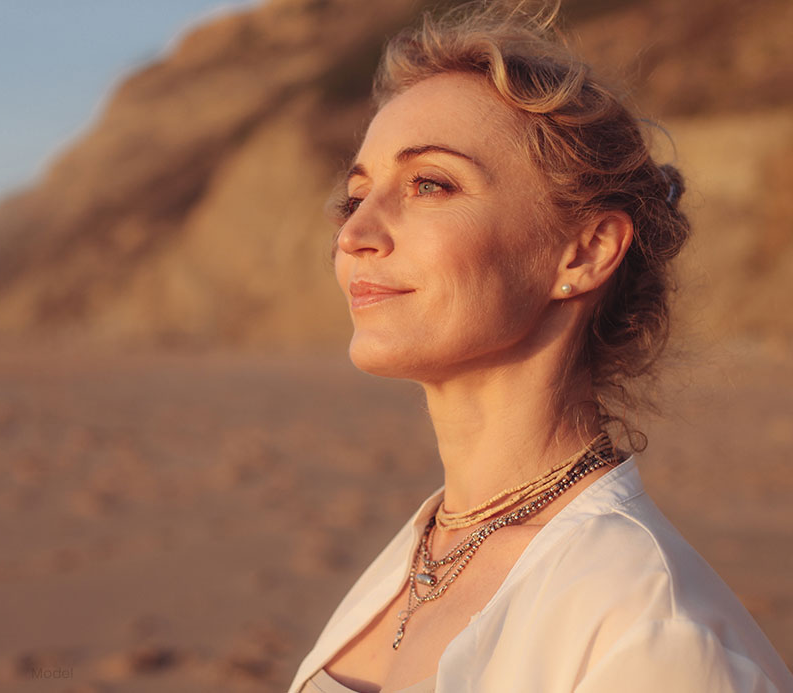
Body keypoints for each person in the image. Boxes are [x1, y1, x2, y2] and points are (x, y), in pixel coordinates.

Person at [288, 2, 793, 691]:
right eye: (355, 196)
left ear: (584, 252)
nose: (354, 234)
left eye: (428, 183)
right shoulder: (426, 552)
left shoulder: (655, 638)